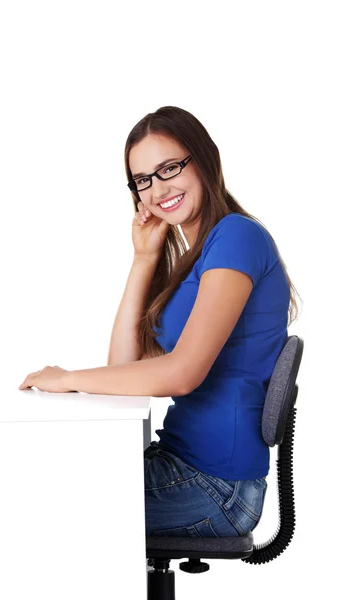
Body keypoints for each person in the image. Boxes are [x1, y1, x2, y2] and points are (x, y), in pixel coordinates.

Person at [122, 105, 301, 538]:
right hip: (182, 465)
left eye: (168, 168)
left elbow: (181, 375)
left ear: (205, 160)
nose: (156, 188)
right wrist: (144, 259)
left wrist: (69, 378)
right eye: (143, 180)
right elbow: (127, 369)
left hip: (216, 486)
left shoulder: (235, 236)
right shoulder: (197, 258)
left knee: (43, 502)